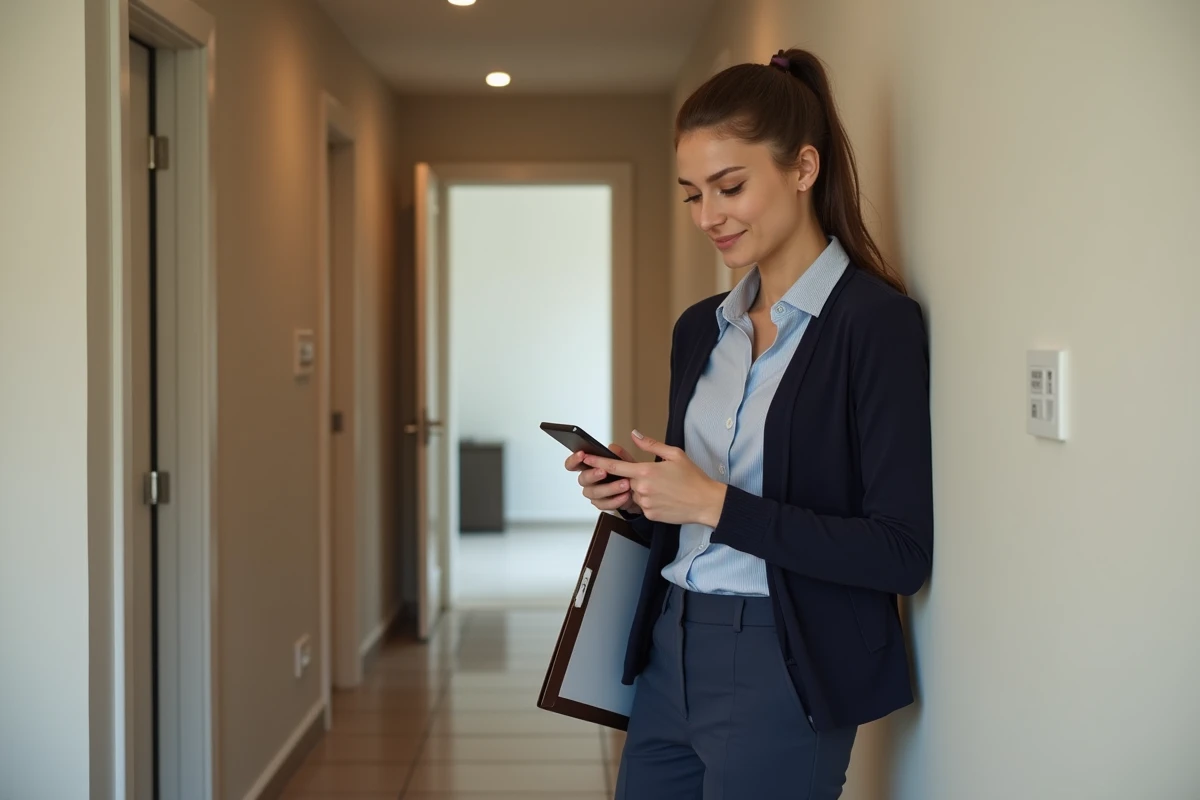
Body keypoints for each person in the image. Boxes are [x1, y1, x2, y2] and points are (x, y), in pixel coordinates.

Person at [564, 48, 933, 799]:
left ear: (804, 168)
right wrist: (640, 493)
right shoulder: (702, 328)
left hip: (783, 657)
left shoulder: (874, 324)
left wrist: (711, 504)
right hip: (669, 643)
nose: (708, 217)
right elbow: (703, 494)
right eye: (691, 195)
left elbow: (898, 553)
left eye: (730, 187)